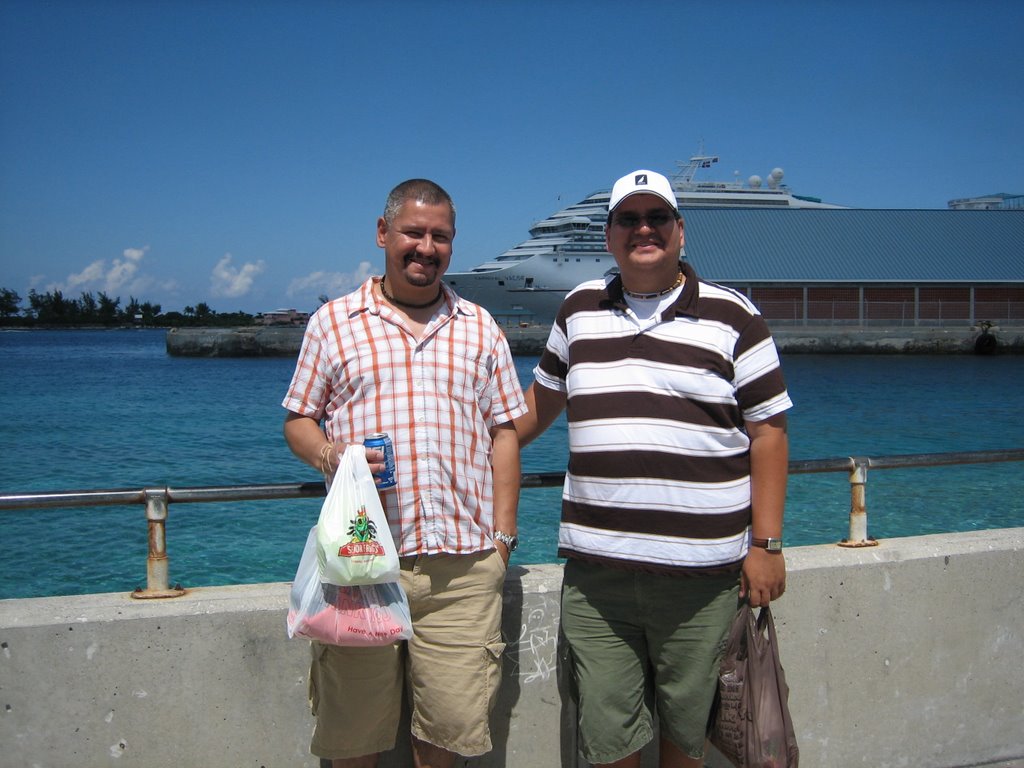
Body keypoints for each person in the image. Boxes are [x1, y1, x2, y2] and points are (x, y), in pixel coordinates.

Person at [515, 169, 792, 768]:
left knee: (687, 739)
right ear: (609, 236)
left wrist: (766, 544)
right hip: (599, 576)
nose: (644, 229)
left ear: (680, 231)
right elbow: (536, 408)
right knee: (608, 737)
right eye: (628, 219)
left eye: (657, 218)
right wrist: (463, 448)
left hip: (703, 582)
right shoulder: (578, 311)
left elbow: (769, 432)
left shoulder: (735, 316)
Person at [281, 178, 526, 768]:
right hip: (357, 564)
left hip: (461, 572)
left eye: (440, 236)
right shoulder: (334, 323)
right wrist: (330, 455)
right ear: (383, 232)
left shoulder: (480, 325)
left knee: (445, 739)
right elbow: (298, 421)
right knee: (354, 739)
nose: (426, 247)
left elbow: (505, 433)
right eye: (413, 232)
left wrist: (503, 541)